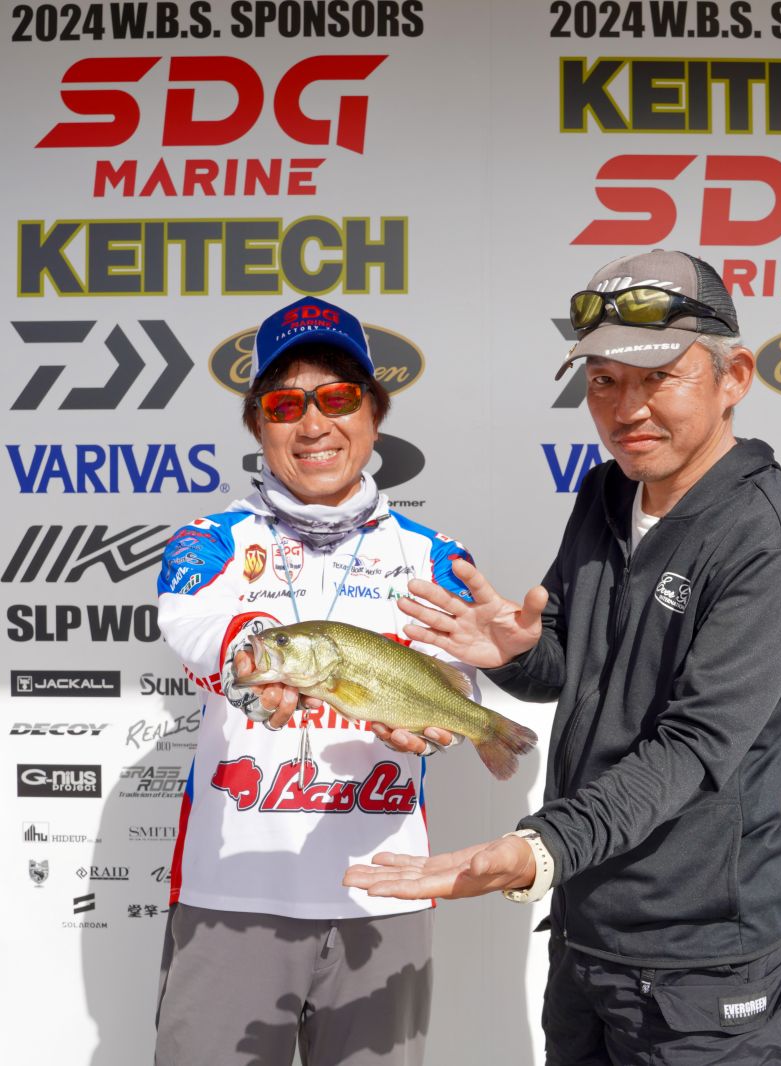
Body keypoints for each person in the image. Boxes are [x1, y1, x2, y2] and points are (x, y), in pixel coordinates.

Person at [345, 250, 781, 1064]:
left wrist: (539, 849)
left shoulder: (769, 540)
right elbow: (571, 671)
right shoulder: (605, 492)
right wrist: (515, 654)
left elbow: (694, 747)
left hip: (701, 971)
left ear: (734, 377)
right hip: (585, 937)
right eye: (603, 380)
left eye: (659, 377)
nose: (626, 408)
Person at [153, 296, 472, 1066]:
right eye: (285, 405)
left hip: (384, 893)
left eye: (338, 397)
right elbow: (193, 631)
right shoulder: (210, 542)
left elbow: (455, 687)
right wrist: (250, 652)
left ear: (374, 413)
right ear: (259, 425)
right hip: (233, 896)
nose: (314, 424)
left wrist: (436, 728)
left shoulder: (434, 554)